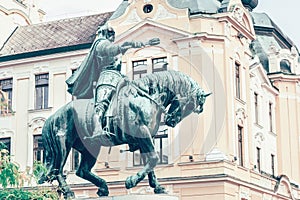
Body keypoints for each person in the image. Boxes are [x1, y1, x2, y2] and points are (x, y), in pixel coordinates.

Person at [66, 24, 145, 140]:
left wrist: (137, 44)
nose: (112, 37)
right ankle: (97, 128)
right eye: (110, 34)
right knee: (102, 104)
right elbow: (111, 50)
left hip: (119, 79)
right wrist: (130, 43)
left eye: (113, 34)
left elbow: (118, 51)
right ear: (105, 34)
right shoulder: (100, 44)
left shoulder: (109, 45)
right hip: (106, 79)